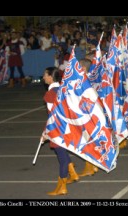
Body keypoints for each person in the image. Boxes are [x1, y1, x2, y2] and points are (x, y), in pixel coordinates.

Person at [41, 67, 79, 196]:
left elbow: (53, 115)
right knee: (62, 152)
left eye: (45, 75)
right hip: (67, 126)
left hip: (58, 128)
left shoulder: (50, 94)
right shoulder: (63, 90)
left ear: (51, 77)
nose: (43, 77)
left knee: (61, 157)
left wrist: (46, 132)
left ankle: (62, 186)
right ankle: (73, 173)